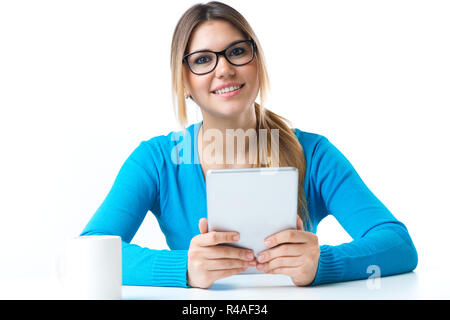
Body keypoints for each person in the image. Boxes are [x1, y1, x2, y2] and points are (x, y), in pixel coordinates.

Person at [81, 1, 418, 289]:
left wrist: (320, 264)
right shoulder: (156, 161)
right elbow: (89, 252)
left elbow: (398, 245)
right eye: (202, 60)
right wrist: (184, 268)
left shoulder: (314, 153)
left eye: (237, 52)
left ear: (257, 63)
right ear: (184, 81)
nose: (224, 69)